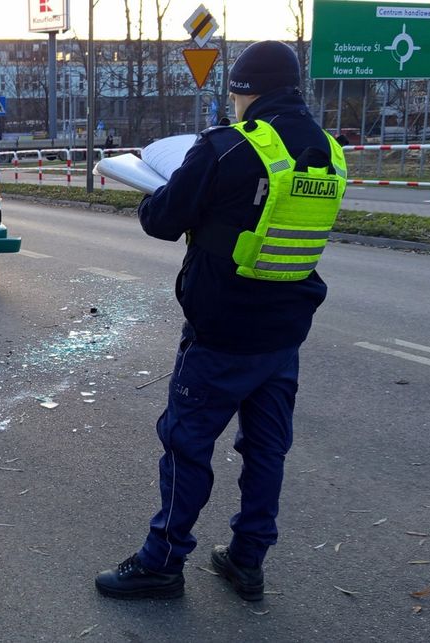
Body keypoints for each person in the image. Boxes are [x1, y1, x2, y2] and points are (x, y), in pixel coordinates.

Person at [94, 40, 347, 602]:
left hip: (222, 332)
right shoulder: (329, 150)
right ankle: (247, 560)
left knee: (187, 445)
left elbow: (163, 221)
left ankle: (162, 562)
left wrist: (155, 195)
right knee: (265, 450)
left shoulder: (227, 148)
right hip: (284, 334)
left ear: (242, 91)